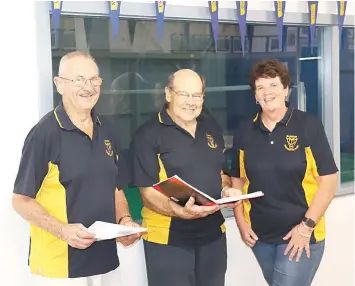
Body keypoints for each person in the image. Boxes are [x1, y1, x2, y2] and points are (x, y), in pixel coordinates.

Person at [12, 51, 141, 286]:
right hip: (60, 268)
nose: (88, 87)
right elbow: (21, 200)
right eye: (79, 79)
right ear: (59, 85)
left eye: (94, 79)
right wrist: (62, 230)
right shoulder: (44, 134)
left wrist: (125, 220)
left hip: (106, 263)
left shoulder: (108, 128)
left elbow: (115, 187)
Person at [230, 59, 339, 286]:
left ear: (286, 90)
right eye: (260, 87)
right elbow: (237, 180)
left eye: (273, 85)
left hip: (301, 234)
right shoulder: (244, 131)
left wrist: (306, 227)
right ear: (255, 96)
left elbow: (329, 181)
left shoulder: (308, 125)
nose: (267, 92)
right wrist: (241, 222)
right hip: (260, 237)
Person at [130, 69, 241, 286]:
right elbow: (147, 193)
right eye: (184, 94)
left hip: (213, 237)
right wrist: (180, 211)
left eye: (197, 95)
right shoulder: (148, 135)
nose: (191, 102)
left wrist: (227, 190)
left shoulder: (211, 128)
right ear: (168, 94)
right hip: (169, 241)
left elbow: (220, 174)